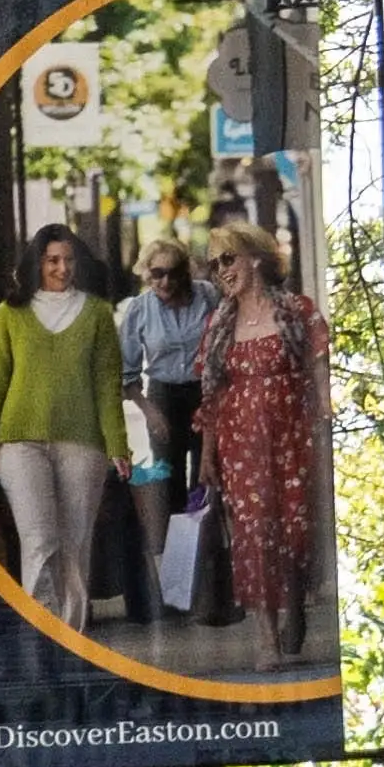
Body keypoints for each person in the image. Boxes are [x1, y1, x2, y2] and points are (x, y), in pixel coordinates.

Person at [0, 221, 133, 636]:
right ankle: (43, 639)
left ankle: (71, 638)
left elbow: (107, 384)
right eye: (53, 260)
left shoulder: (97, 314)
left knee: (75, 546)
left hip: (83, 443)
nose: (62, 268)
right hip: (19, 443)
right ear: (37, 263)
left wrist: (118, 445)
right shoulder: (10, 314)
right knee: (39, 542)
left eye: (68, 260)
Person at [194, 221, 336, 658]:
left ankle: (295, 603)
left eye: (228, 259)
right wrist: (207, 455)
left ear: (255, 258)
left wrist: (326, 417)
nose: (222, 271)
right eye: (215, 264)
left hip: (293, 437)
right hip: (241, 445)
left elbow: (318, 368)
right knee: (254, 537)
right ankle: (266, 636)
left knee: (294, 532)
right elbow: (212, 395)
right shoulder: (219, 324)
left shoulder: (296, 311)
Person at [117, 241, 209, 613]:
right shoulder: (140, 309)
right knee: (169, 490)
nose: (166, 281)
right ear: (147, 274)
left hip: (204, 392)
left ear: (185, 272)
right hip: (164, 396)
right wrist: (149, 411)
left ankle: (207, 583)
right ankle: (176, 587)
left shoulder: (208, 297)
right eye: (157, 274)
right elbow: (127, 372)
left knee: (205, 485)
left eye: (173, 273)